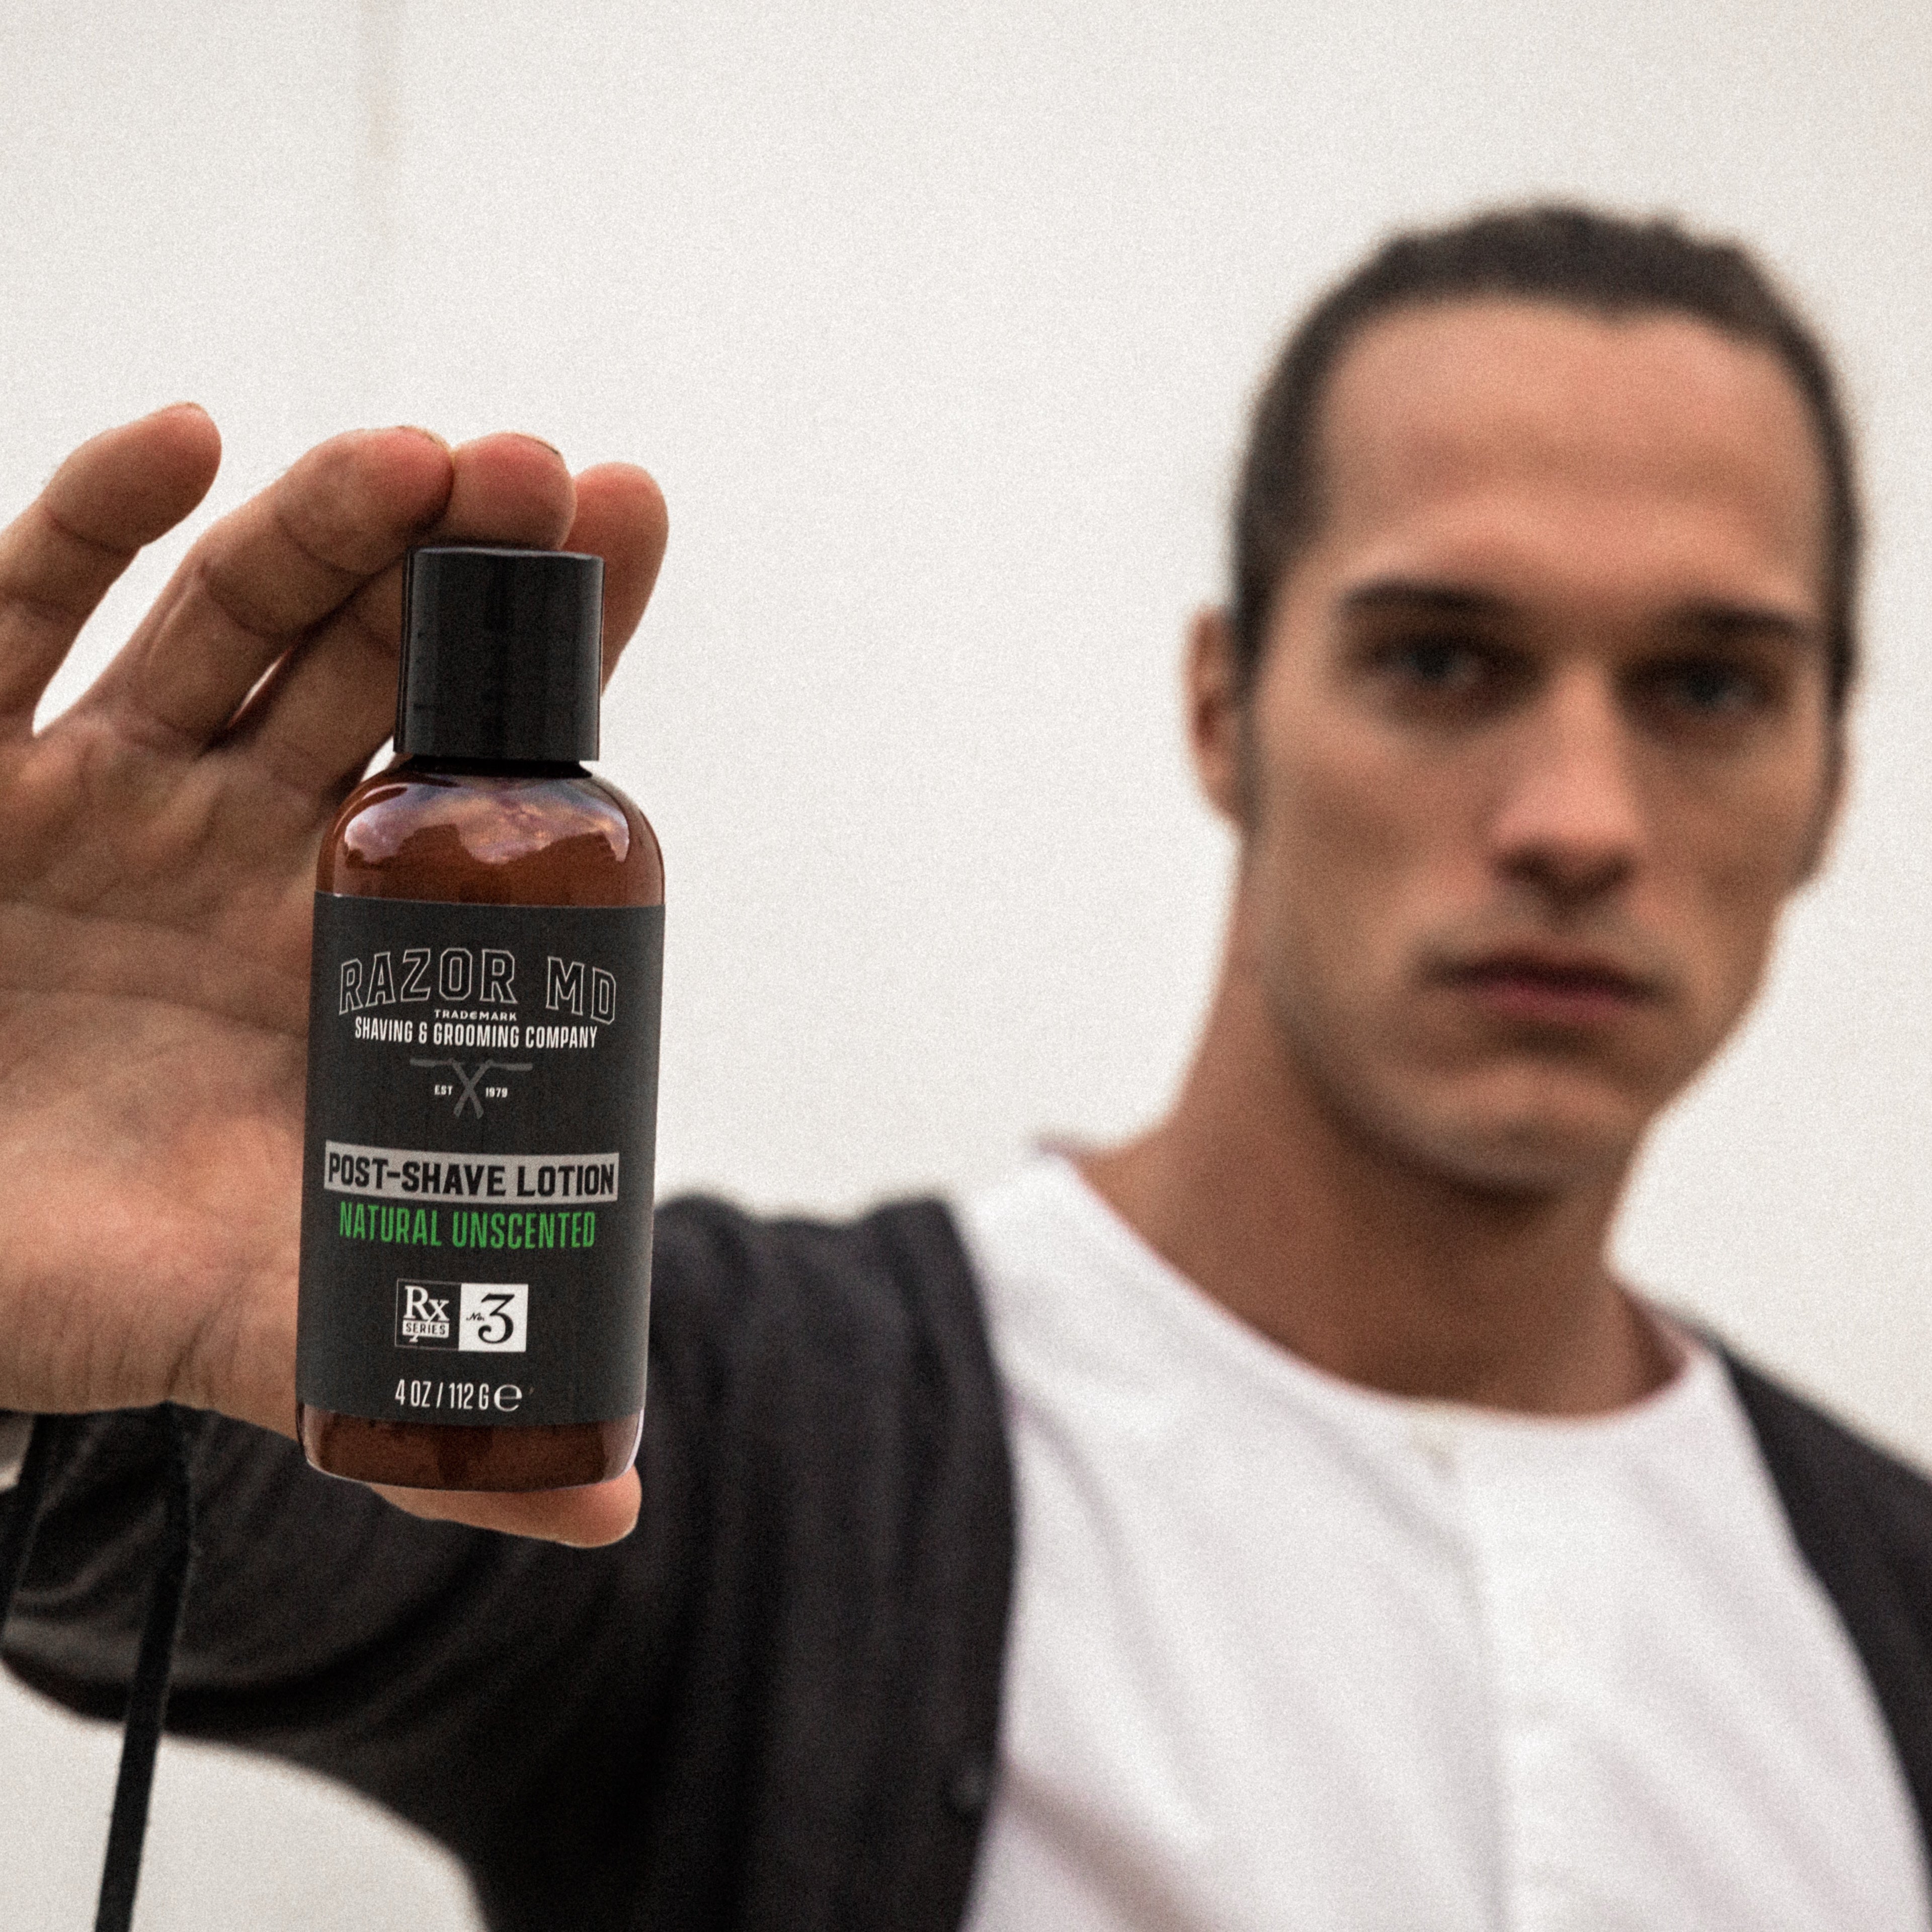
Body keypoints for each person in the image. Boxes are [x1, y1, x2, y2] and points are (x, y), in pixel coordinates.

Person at [3, 204, 1929, 1931]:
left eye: (1709, 687)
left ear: (1833, 778)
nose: (1577, 820)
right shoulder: (765, 1438)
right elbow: (294, 1514)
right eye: (1440, 660)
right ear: (1224, 710)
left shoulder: (1894, 1596)